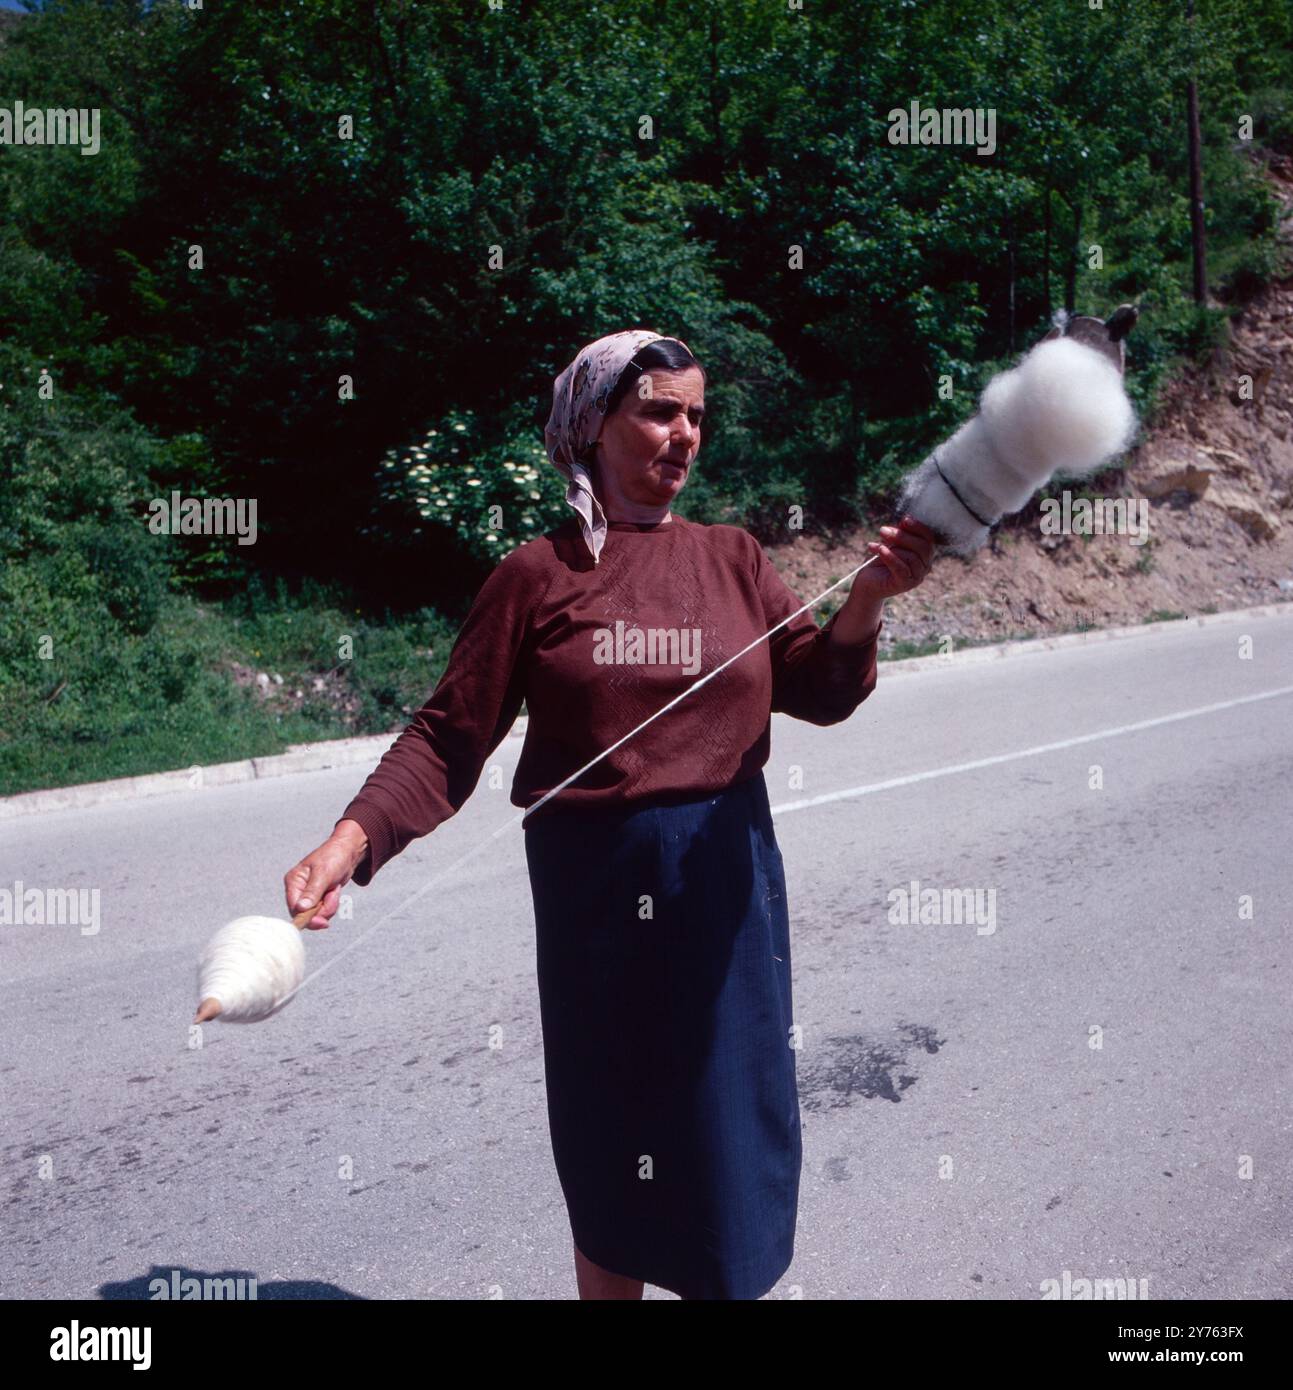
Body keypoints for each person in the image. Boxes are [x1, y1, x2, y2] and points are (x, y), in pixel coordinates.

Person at [283, 329, 936, 1299]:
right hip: (598, 906)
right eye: (660, 411)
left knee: (724, 1141)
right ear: (595, 425)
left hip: (725, 891)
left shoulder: (733, 558)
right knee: (615, 1139)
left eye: (698, 416)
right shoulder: (536, 577)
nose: (685, 434)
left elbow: (820, 688)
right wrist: (351, 839)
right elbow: (448, 736)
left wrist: (871, 598)